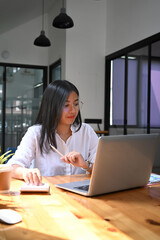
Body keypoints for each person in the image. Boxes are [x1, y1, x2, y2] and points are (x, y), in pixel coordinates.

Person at [8, 80, 98, 185]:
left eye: (76, 104)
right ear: (52, 106)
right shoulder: (35, 133)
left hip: (80, 195)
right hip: (49, 195)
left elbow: (103, 169)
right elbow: (13, 166)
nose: (73, 110)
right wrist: (26, 172)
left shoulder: (86, 131)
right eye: (66, 105)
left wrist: (86, 165)